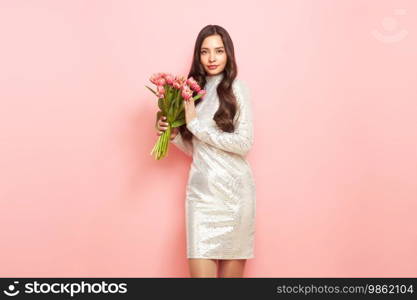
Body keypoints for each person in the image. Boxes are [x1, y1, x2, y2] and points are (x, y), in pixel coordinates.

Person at [155, 25, 256, 278]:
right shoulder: (192, 94)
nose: (212, 58)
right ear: (198, 56)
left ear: (228, 54)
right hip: (201, 197)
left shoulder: (236, 89)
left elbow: (244, 144)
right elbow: (198, 149)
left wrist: (195, 125)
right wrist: (174, 135)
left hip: (234, 197)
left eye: (219, 51)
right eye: (205, 52)